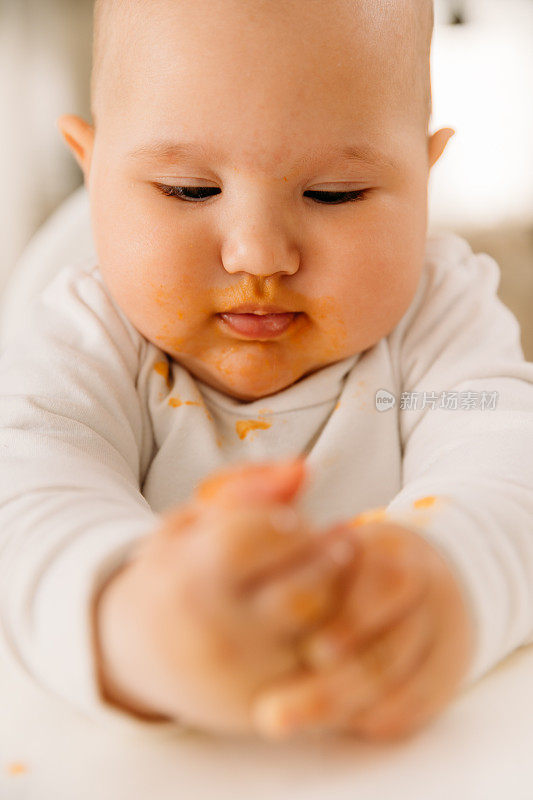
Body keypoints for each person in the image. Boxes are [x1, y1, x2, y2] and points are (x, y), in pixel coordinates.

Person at [0, 0, 532, 742]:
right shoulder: (84, 333)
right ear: (91, 173)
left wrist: (444, 582)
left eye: (333, 194)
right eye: (188, 189)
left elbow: (508, 467)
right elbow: (27, 497)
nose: (257, 254)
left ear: (424, 177)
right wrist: (132, 621)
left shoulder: (438, 315)